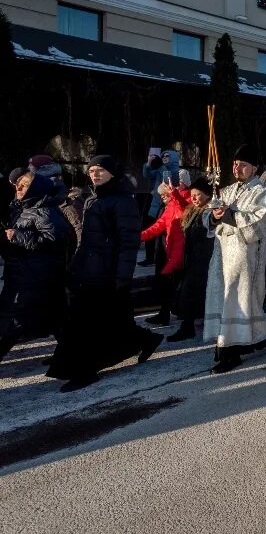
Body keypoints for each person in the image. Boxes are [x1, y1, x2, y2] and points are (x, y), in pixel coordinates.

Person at [48, 155, 163, 392]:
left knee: (88, 323)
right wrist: (76, 267)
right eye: (91, 171)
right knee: (110, 321)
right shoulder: (92, 200)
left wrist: (123, 277)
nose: (95, 174)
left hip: (107, 272)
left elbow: (128, 243)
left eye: (100, 170)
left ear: (113, 173)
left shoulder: (123, 201)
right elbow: (86, 240)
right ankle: (146, 339)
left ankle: (84, 371)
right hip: (88, 271)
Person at [204, 145, 266, 374]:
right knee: (222, 299)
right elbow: (208, 215)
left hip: (245, 258)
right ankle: (226, 343)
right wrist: (214, 217)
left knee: (238, 302)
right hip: (222, 256)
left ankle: (231, 352)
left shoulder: (262, 194)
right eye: (235, 164)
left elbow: (260, 224)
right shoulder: (225, 191)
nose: (237, 168)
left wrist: (227, 214)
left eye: (243, 164)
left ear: (254, 168)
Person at [0, 173, 72, 363]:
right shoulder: (22, 208)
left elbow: (56, 240)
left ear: (36, 189)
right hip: (24, 274)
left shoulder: (45, 210)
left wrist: (17, 236)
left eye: (24, 185)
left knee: (11, 322)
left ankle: (76, 360)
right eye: (18, 185)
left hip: (35, 277)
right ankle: (69, 355)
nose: (19, 188)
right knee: (57, 320)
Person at [167, 177, 215, 342]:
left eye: (198, 194)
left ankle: (188, 327)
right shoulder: (193, 210)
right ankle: (189, 324)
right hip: (192, 257)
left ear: (207, 195)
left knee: (192, 292)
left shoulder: (210, 211)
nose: (193, 198)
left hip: (204, 259)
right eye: (192, 194)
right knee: (189, 291)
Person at [140, 182, 189, 326]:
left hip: (181, 251)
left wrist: (173, 193)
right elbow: (158, 225)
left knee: (176, 284)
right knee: (169, 283)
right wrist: (139, 236)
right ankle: (168, 313)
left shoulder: (187, 200)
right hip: (170, 249)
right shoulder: (170, 205)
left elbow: (183, 208)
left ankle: (177, 315)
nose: (162, 198)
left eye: (164, 194)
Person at [140, 150, 180, 266]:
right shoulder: (160, 169)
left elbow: (170, 180)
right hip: (154, 205)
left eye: (167, 156)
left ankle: (163, 257)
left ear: (173, 158)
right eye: (163, 156)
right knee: (150, 229)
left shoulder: (175, 171)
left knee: (163, 235)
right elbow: (147, 174)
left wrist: (161, 166)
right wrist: (149, 163)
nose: (164, 158)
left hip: (168, 207)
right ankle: (149, 257)